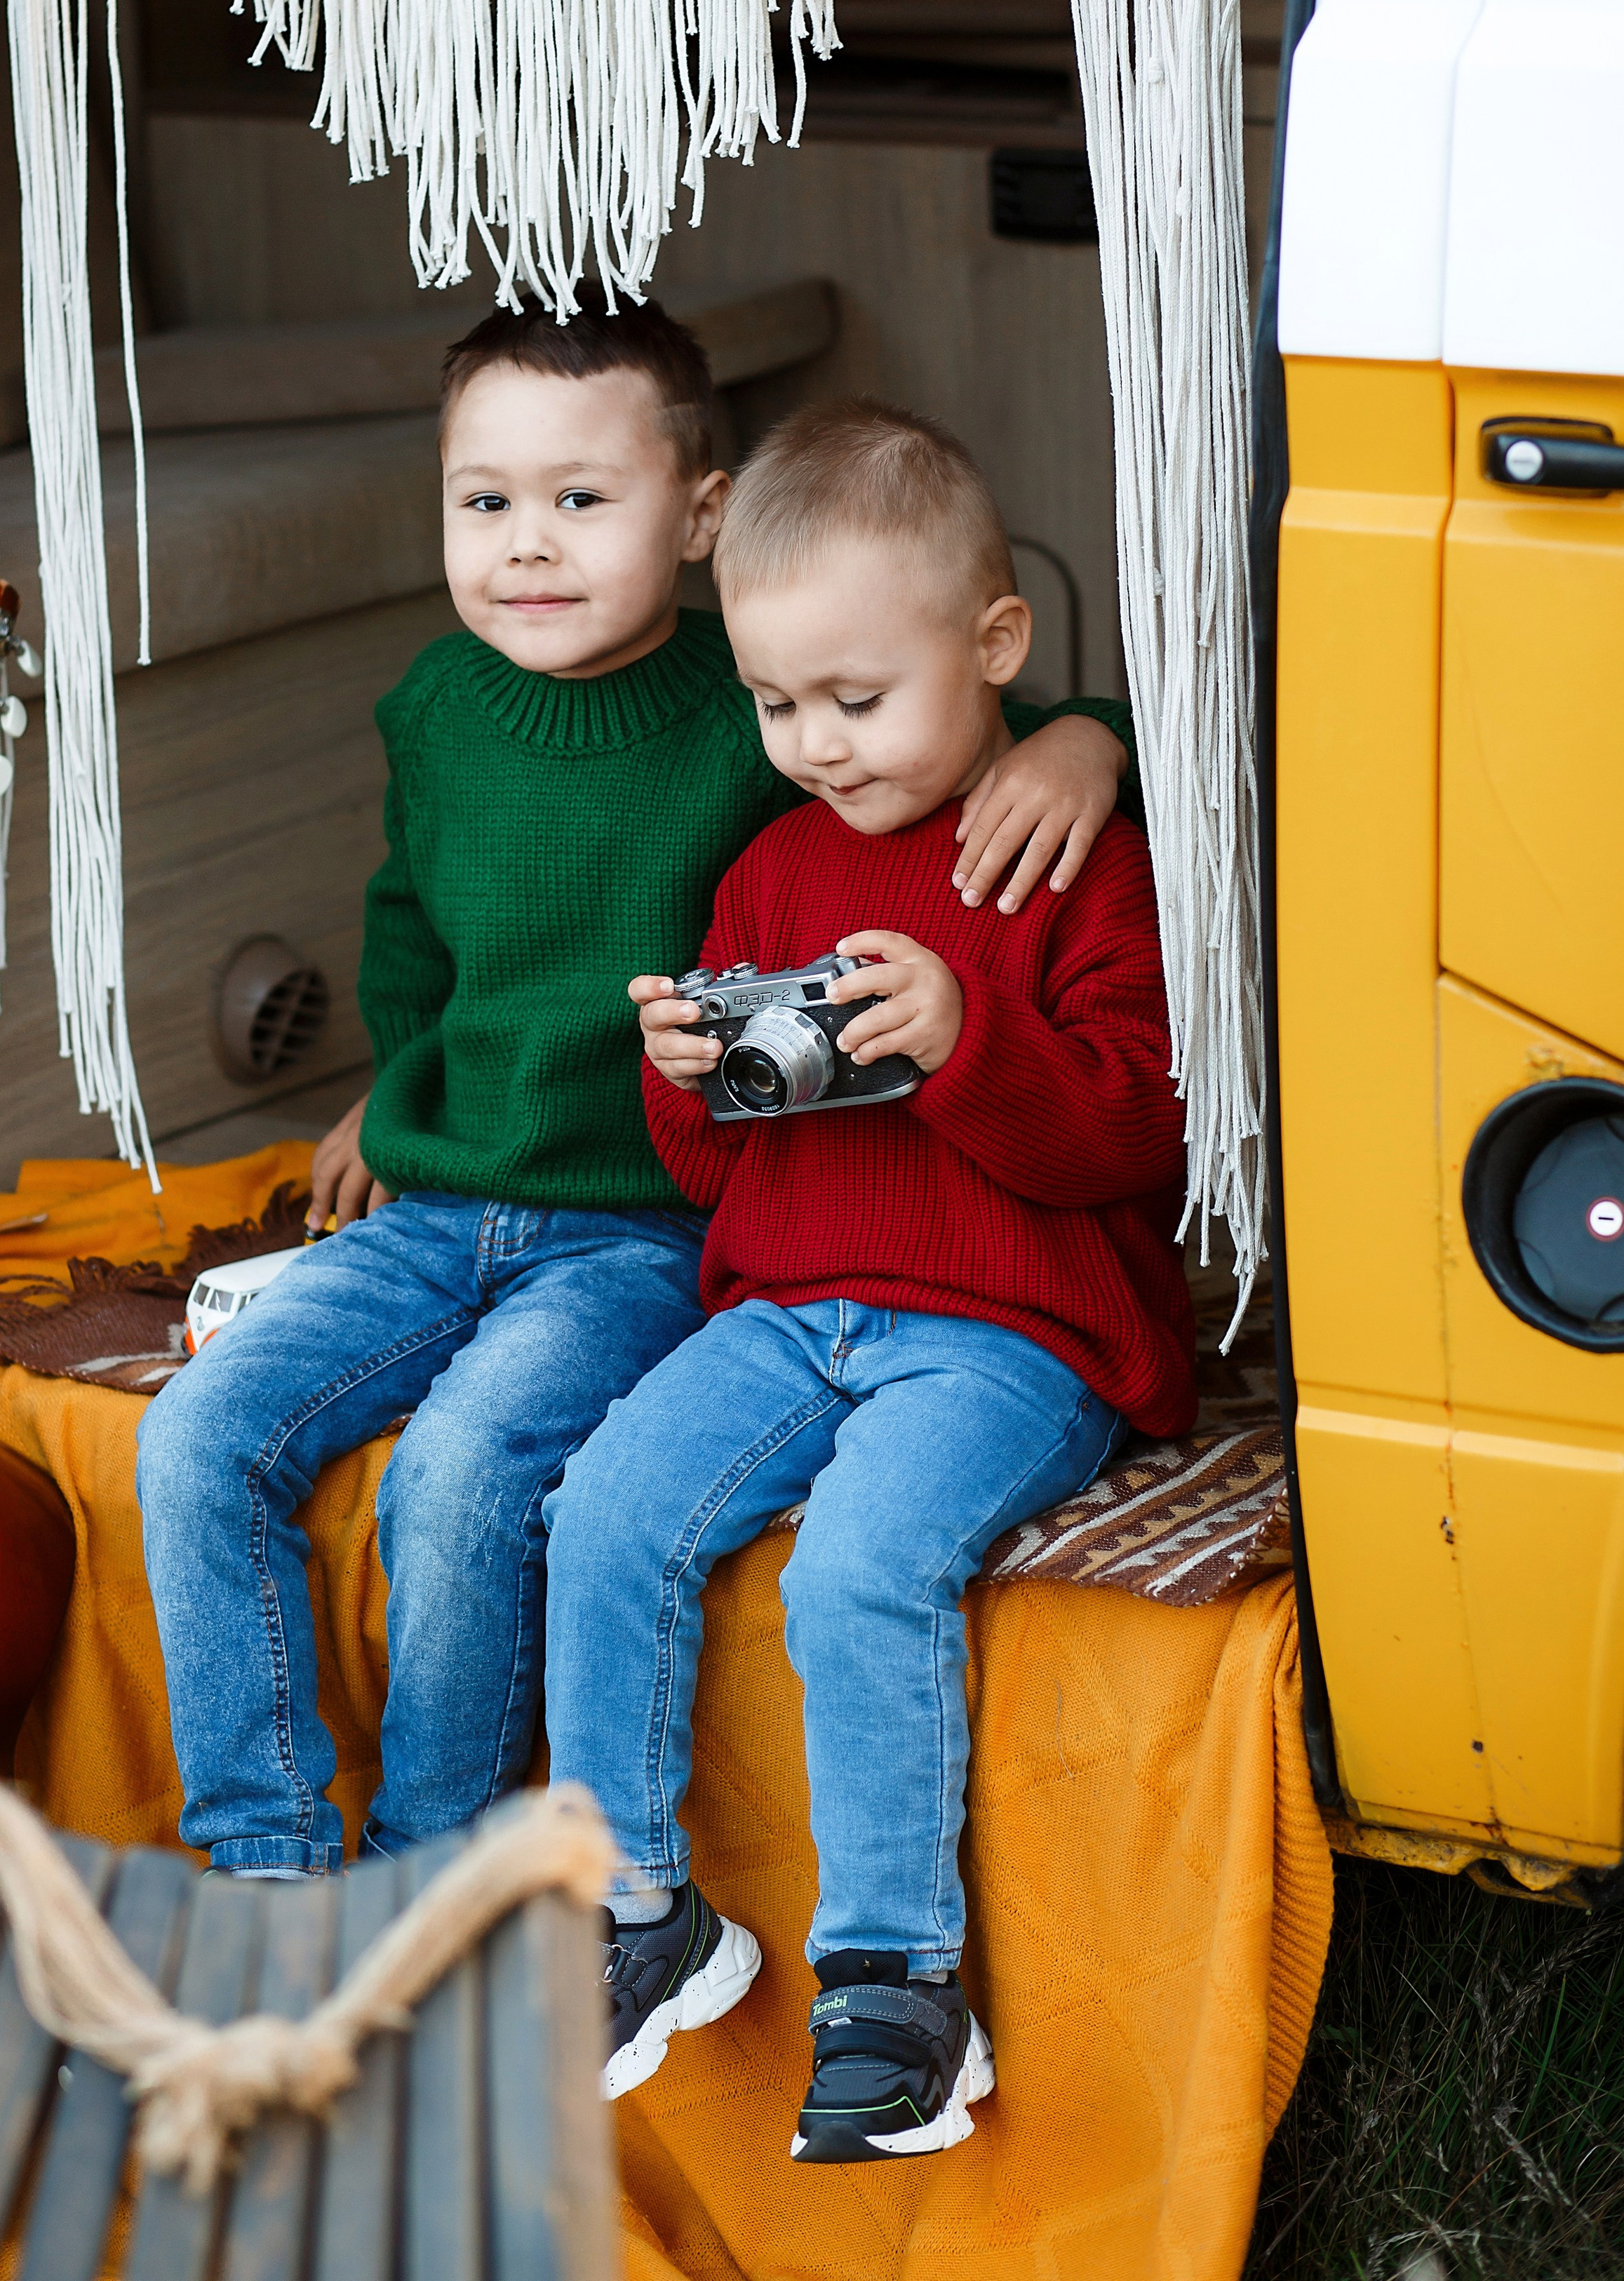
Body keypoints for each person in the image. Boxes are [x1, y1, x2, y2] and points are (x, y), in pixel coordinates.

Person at [137, 302, 1139, 1877]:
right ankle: (264, 1860)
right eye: (485, 501)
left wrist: (1082, 739)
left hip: (639, 1219)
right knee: (195, 1435)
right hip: (444, 1194)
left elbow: (948, 693)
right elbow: (412, 931)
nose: (527, 543)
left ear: (700, 517)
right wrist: (391, 1090)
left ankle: (435, 1867)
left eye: (581, 498)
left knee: (464, 1466)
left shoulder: (765, 714)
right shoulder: (438, 708)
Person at [540, 399, 1193, 2161]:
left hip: (1008, 1329)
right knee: (603, 1509)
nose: (815, 745)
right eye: (775, 705)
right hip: (788, 1308)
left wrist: (969, 1037)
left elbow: (1136, 1133)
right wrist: (687, 1080)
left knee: (860, 1564)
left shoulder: (1071, 856)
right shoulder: (771, 871)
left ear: (996, 646)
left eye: (854, 698)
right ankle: (635, 1913)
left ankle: (895, 1979)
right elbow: (726, 1176)